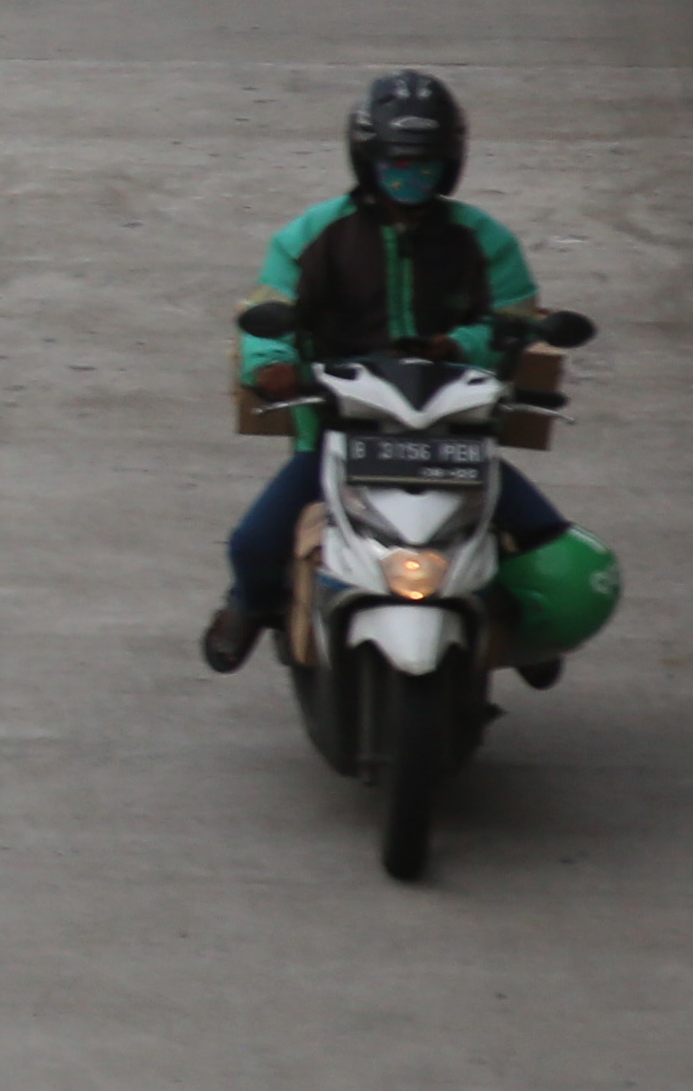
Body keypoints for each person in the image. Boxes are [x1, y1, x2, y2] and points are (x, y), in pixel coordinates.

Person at [201, 71, 573, 672]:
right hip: (342, 431)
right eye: (396, 162)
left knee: (548, 542)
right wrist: (270, 364)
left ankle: (519, 628)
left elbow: (516, 317)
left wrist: (461, 345)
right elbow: (264, 308)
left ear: (449, 164)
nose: (409, 175)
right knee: (253, 545)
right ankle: (247, 607)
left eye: (423, 164)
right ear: (367, 160)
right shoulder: (315, 235)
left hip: (453, 435)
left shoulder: (484, 240)